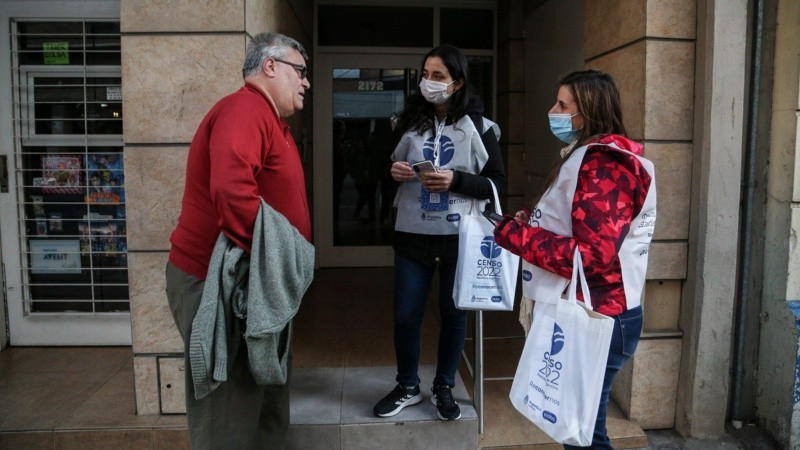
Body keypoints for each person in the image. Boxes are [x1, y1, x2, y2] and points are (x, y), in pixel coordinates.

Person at [493, 69, 656, 449]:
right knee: (577, 431)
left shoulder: (606, 165)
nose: (553, 111)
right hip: (597, 310)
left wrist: (516, 236)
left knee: (583, 436)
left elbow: (594, 255)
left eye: (562, 105)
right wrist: (531, 223)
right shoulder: (592, 158)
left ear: (587, 112)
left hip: (599, 314)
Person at [165, 32, 312, 449]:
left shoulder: (270, 119)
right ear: (270, 67)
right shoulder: (245, 108)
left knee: (263, 393)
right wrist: (276, 261)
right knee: (228, 408)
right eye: (299, 72)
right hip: (224, 285)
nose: (305, 82)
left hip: (253, 283)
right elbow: (231, 191)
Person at [372, 44, 506, 421]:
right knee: (406, 314)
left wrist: (457, 180)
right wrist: (392, 172)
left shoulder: (480, 127)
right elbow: (382, 171)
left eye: (438, 76)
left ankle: (444, 385)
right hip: (412, 235)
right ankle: (408, 385)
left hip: (458, 237)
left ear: (457, 82)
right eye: (424, 75)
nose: (428, 83)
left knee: (453, 314)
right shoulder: (405, 122)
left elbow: (496, 184)